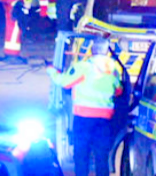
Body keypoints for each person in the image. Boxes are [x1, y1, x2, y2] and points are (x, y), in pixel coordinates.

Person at [47, 37, 123, 176]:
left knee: (81, 157)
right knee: (102, 158)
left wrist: (52, 71)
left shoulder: (84, 67)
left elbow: (64, 82)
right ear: (106, 52)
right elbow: (119, 91)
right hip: (104, 120)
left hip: (83, 118)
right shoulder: (113, 68)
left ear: (92, 50)